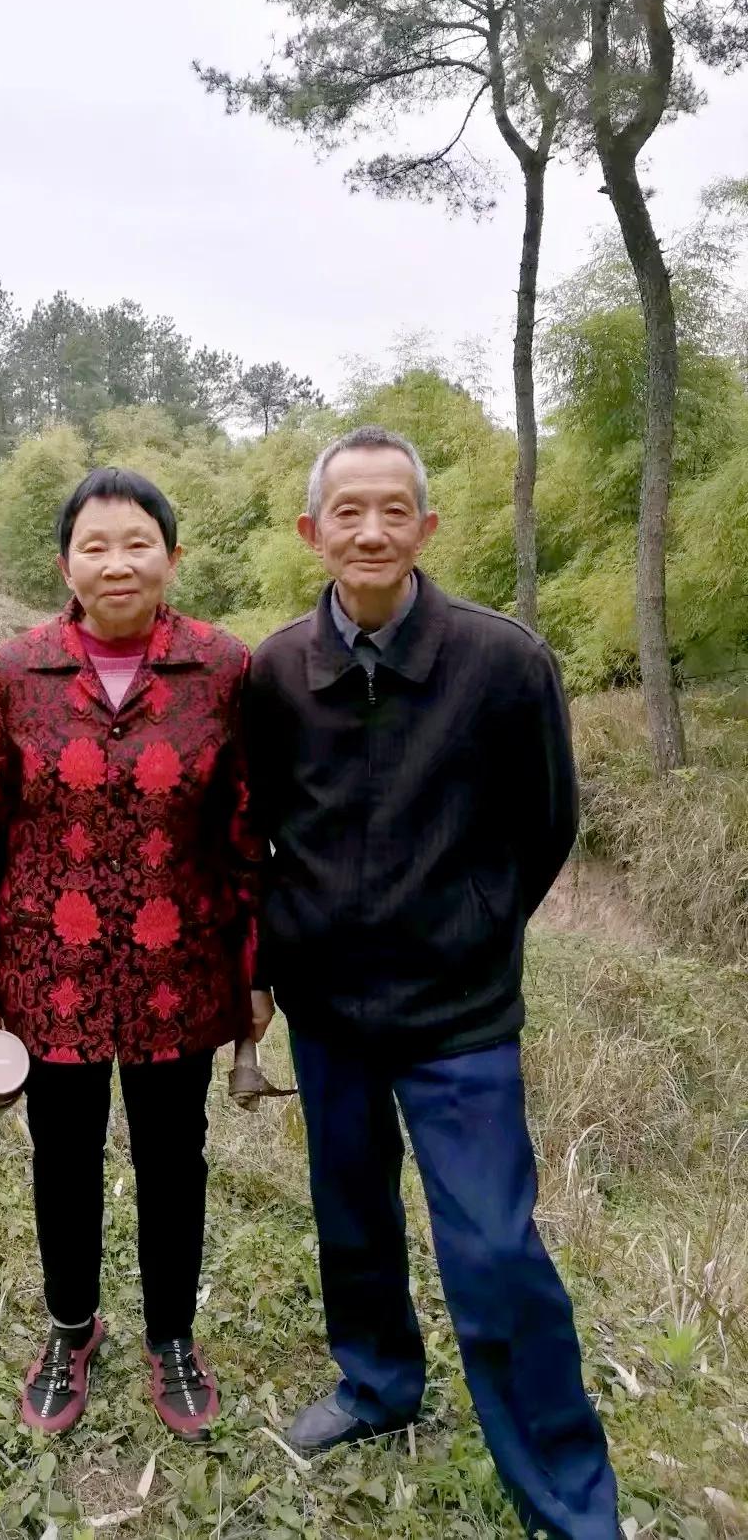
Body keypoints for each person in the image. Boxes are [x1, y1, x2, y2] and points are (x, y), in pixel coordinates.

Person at [244, 425, 620, 1540]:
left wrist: (473, 927)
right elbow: (260, 829)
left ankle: (562, 1490)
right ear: (311, 532)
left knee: (494, 1249)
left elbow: (544, 823)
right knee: (350, 1217)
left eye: (391, 510)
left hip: (456, 1015)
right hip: (328, 1008)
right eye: (345, 512)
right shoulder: (273, 672)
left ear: (425, 526)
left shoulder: (502, 662)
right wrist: (275, 964)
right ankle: (375, 1384)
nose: (369, 531)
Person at [0, 467, 263, 1439]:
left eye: (137, 543)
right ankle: (69, 1331)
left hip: (181, 970)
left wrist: (258, 972)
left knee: (175, 1158)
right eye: (95, 544)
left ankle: (170, 1334)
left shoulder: (223, 670)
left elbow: (248, 829)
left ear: (171, 556)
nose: (117, 562)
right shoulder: (16, 671)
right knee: (63, 1156)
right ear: (65, 563)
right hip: (52, 973)